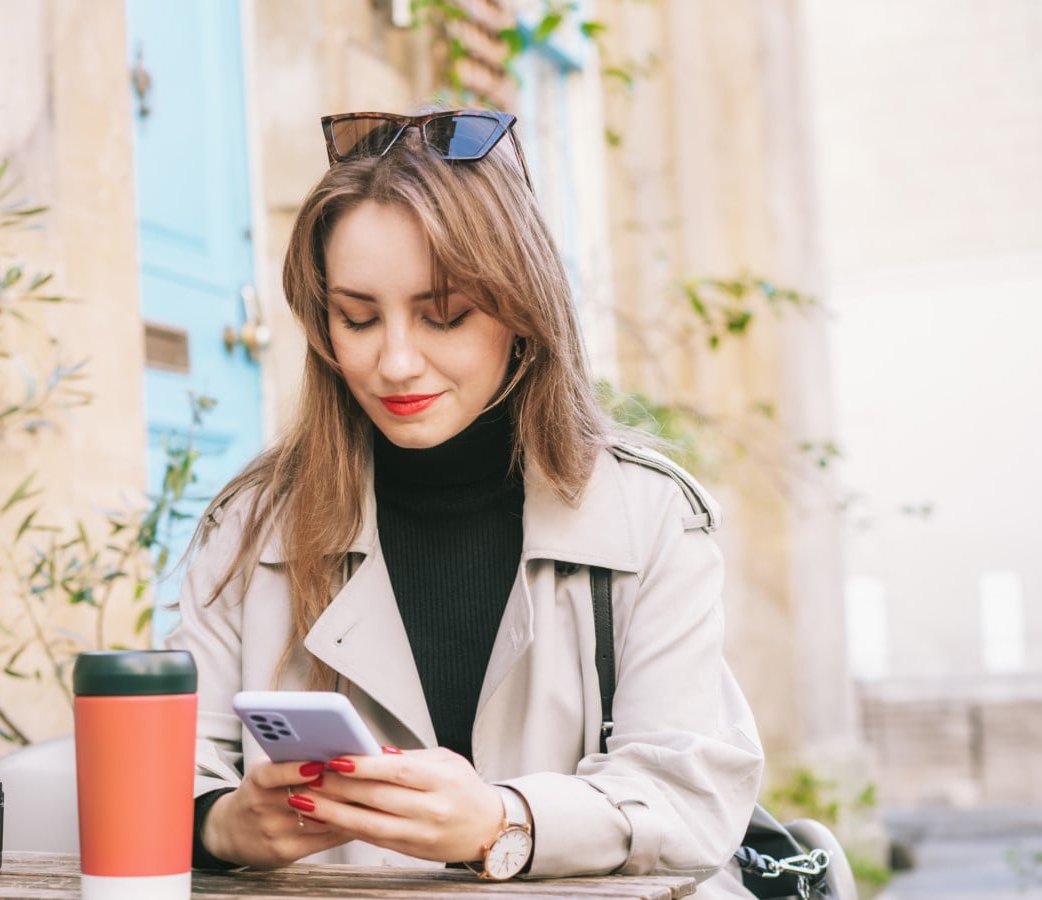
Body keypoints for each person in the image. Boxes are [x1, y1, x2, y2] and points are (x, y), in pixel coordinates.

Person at [163, 109, 763, 897]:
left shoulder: (648, 516)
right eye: (358, 318)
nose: (397, 361)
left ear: (520, 308)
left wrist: (504, 823)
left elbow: (690, 797)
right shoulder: (251, 526)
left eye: (444, 315)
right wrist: (222, 825)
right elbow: (163, 781)